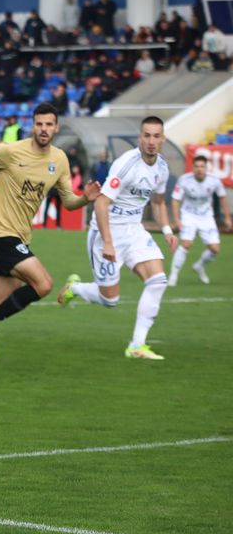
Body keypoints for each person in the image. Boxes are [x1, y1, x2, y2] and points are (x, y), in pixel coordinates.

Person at [0, 103, 100, 366]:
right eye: (39, 124)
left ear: (56, 127)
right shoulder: (10, 151)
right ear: (32, 126)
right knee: (44, 284)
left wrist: (85, 199)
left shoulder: (58, 159)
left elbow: (68, 200)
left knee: (1, 305)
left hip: (20, 237)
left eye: (49, 124)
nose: (44, 129)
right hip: (0, 235)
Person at [56, 117, 176, 360]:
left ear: (162, 139)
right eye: (147, 135)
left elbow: (159, 202)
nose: (151, 141)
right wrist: (108, 242)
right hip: (105, 232)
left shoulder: (162, 168)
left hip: (134, 230)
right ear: (140, 138)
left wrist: (167, 230)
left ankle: (136, 346)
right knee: (110, 300)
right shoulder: (127, 164)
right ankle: (75, 288)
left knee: (158, 280)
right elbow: (101, 203)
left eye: (156, 136)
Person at [167, 154, 229, 286]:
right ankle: (173, 275)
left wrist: (228, 218)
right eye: (196, 166)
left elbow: (223, 197)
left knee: (215, 249)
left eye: (202, 166)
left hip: (206, 216)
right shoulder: (184, 180)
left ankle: (199, 266)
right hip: (188, 215)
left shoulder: (214, 180)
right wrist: (177, 219)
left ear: (206, 168)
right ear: (193, 168)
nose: (199, 169)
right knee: (186, 244)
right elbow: (175, 200)